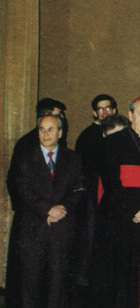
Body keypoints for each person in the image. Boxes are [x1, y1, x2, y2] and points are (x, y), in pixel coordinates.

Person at [95, 96, 140, 308]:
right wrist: (134, 211)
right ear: (130, 116)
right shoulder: (113, 142)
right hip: (121, 221)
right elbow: (111, 184)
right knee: (119, 280)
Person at [5, 113, 86, 308]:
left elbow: (80, 188)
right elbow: (21, 189)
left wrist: (63, 208)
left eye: (50, 129)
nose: (45, 133)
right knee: (30, 283)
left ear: (60, 132)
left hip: (62, 229)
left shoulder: (73, 158)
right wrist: (48, 210)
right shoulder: (25, 157)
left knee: (59, 283)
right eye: (42, 129)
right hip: (33, 229)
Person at [73, 93, 117, 299]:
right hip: (92, 196)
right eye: (100, 108)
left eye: (108, 107)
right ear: (94, 112)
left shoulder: (120, 133)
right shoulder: (88, 136)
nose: (105, 112)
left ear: (115, 110)